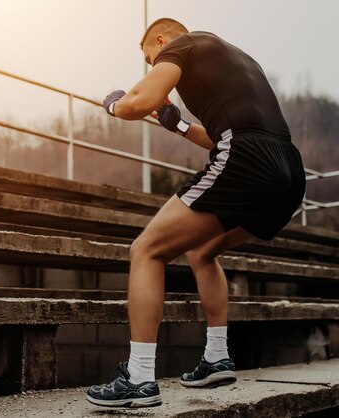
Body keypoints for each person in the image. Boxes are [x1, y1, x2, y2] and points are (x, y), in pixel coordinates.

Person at [86, 18, 306, 408]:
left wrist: (115, 104)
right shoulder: (238, 58)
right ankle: (216, 356)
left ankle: (138, 377)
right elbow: (223, 133)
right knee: (202, 252)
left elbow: (141, 102)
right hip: (288, 172)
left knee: (146, 250)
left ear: (160, 40)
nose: (155, 67)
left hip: (247, 160)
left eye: (151, 59)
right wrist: (179, 125)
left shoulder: (180, 46)